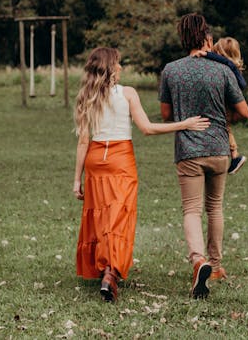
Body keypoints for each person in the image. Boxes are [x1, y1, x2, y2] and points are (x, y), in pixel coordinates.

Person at [72, 47, 210, 303]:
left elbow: (83, 142)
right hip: (120, 160)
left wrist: (76, 180)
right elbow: (147, 128)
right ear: (111, 68)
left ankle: (107, 271)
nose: (122, 68)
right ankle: (110, 274)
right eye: (119, 64)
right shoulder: (127, 94)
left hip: (95, 162)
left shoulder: (87, 96)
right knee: (119, 217)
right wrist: (185, 124)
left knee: (102, 218)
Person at [159, 14, 248, 298]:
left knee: (191, 210)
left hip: (188, 151)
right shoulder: (221, 71)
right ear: (207, 37)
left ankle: (199, 259)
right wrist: (222, 116)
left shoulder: (171, 71)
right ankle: (217, 265)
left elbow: (165, 114)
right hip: (220, 150)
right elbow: (244, 111)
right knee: (215, 207)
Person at [199, 36, 247, 174]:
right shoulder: (229, 67)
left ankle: (235, 156)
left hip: (225, 105)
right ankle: (233, 156)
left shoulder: (229, 67)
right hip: (226, 104)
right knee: (226, 128)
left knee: (226, 128)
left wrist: (207, 54)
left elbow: (242, 84)